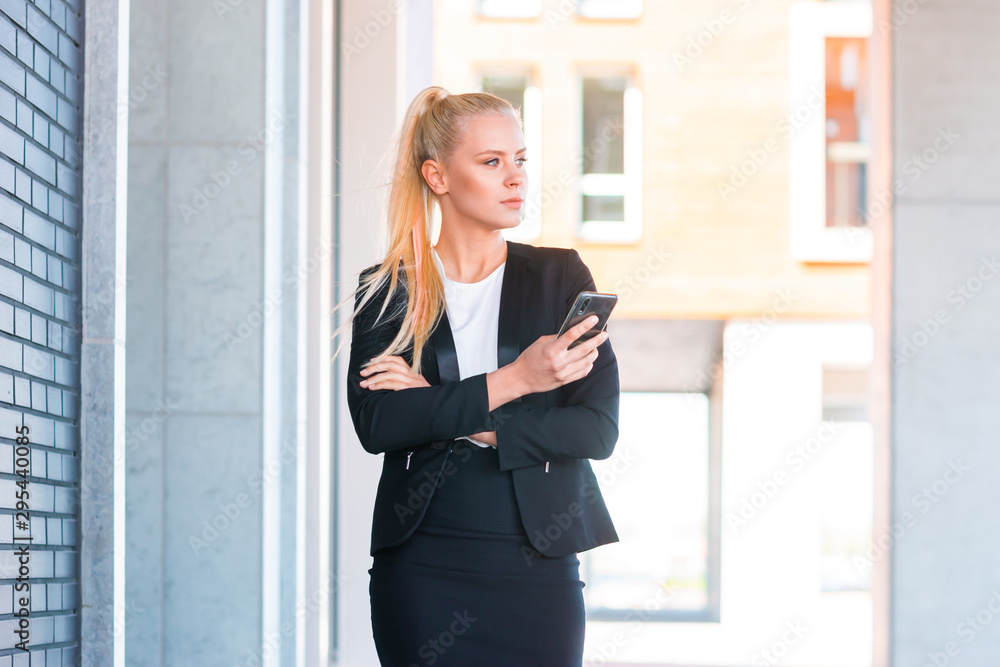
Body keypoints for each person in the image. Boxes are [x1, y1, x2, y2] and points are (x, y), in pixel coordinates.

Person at [340, 85, 621, 666]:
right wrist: (519, 378)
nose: (516, 178)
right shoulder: (389, 288)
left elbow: (596, 430)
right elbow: (379, 425)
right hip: (423, 567)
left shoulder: (560, 277)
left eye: (520, 159)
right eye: (492, 162)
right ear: (438, 176)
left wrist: (442, 406)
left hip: (539, 565)